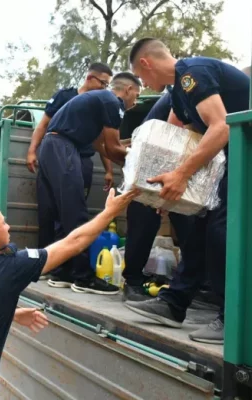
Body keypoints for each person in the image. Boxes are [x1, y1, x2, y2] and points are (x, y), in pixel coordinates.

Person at [0, 188, 138, 399]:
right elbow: (73, 243)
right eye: (4, 222)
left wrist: (11, 313)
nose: (9, 227)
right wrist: (110, 211)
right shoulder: (8, 268)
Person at [124, 38, 250, 344]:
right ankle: (174, 304)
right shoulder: (177, 92)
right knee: (198, 229)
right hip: (232, 158)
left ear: (146, 64)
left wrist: (181, 175)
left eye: (142, 78)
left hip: (245, 154)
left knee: (221, 231)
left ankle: (232, 319)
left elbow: (220, 127)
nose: (145, 84)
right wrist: (168, 194)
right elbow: (175, 143)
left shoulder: (192, 73)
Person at [38, 72, 141, 295]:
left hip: (51, 146)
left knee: (62, 214)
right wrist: (140, 167)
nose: (135, 102)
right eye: (137, 96)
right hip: (63, 148)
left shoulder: (95, 103)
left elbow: (101, 145)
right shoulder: (113, 102)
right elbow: (114, 149)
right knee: (76, 213)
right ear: (128, 90)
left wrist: (125, 152)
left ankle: (62, 271)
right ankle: (83, 277)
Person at [121, 92, 197, 301]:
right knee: (143, 221)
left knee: (191, 225)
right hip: (151, 162)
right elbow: (175, 135)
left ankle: (194, 285)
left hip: (178, 163)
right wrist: (163, 196)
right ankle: (133, 282)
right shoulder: (186, 91)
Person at [26, 63, 115, 194]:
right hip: (56, 157)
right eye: (102, 83)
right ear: (90, 78)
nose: (104, 88)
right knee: (48, 204)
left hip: (82, 160)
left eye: (107, 85)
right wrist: (32, 151)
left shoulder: (100, 105)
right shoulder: (64, 96)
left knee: (75, 206)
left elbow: (100, 140)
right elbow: (43, 125)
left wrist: (109, 170)